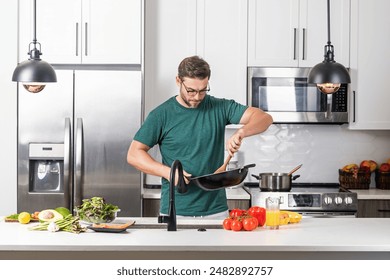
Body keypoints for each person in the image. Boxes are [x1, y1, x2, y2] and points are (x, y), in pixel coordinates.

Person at [127, 55, 272, 218]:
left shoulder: (220, 107)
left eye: (203, 90)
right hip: (175, 212)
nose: (197, 97)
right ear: (178, 81)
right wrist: (168, 172)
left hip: (216, 212)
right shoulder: (161, 115)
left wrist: (242, 132)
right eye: (191, 91)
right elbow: (134, 154)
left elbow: (264, 118)